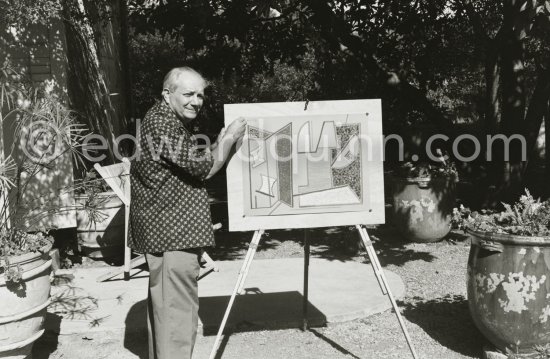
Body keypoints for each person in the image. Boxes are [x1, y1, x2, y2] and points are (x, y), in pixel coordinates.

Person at [129, 66, 246, 359]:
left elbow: (193, 163)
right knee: (177, 314)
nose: (196, 101)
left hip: (168, 230)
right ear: (167, 94)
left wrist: (219, 143)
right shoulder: (163, 124)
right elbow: (202, 169)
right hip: (172, 233)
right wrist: (230, 138)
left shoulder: (164, 119)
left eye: (200, 95)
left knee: (168, 310)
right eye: (188, 94)